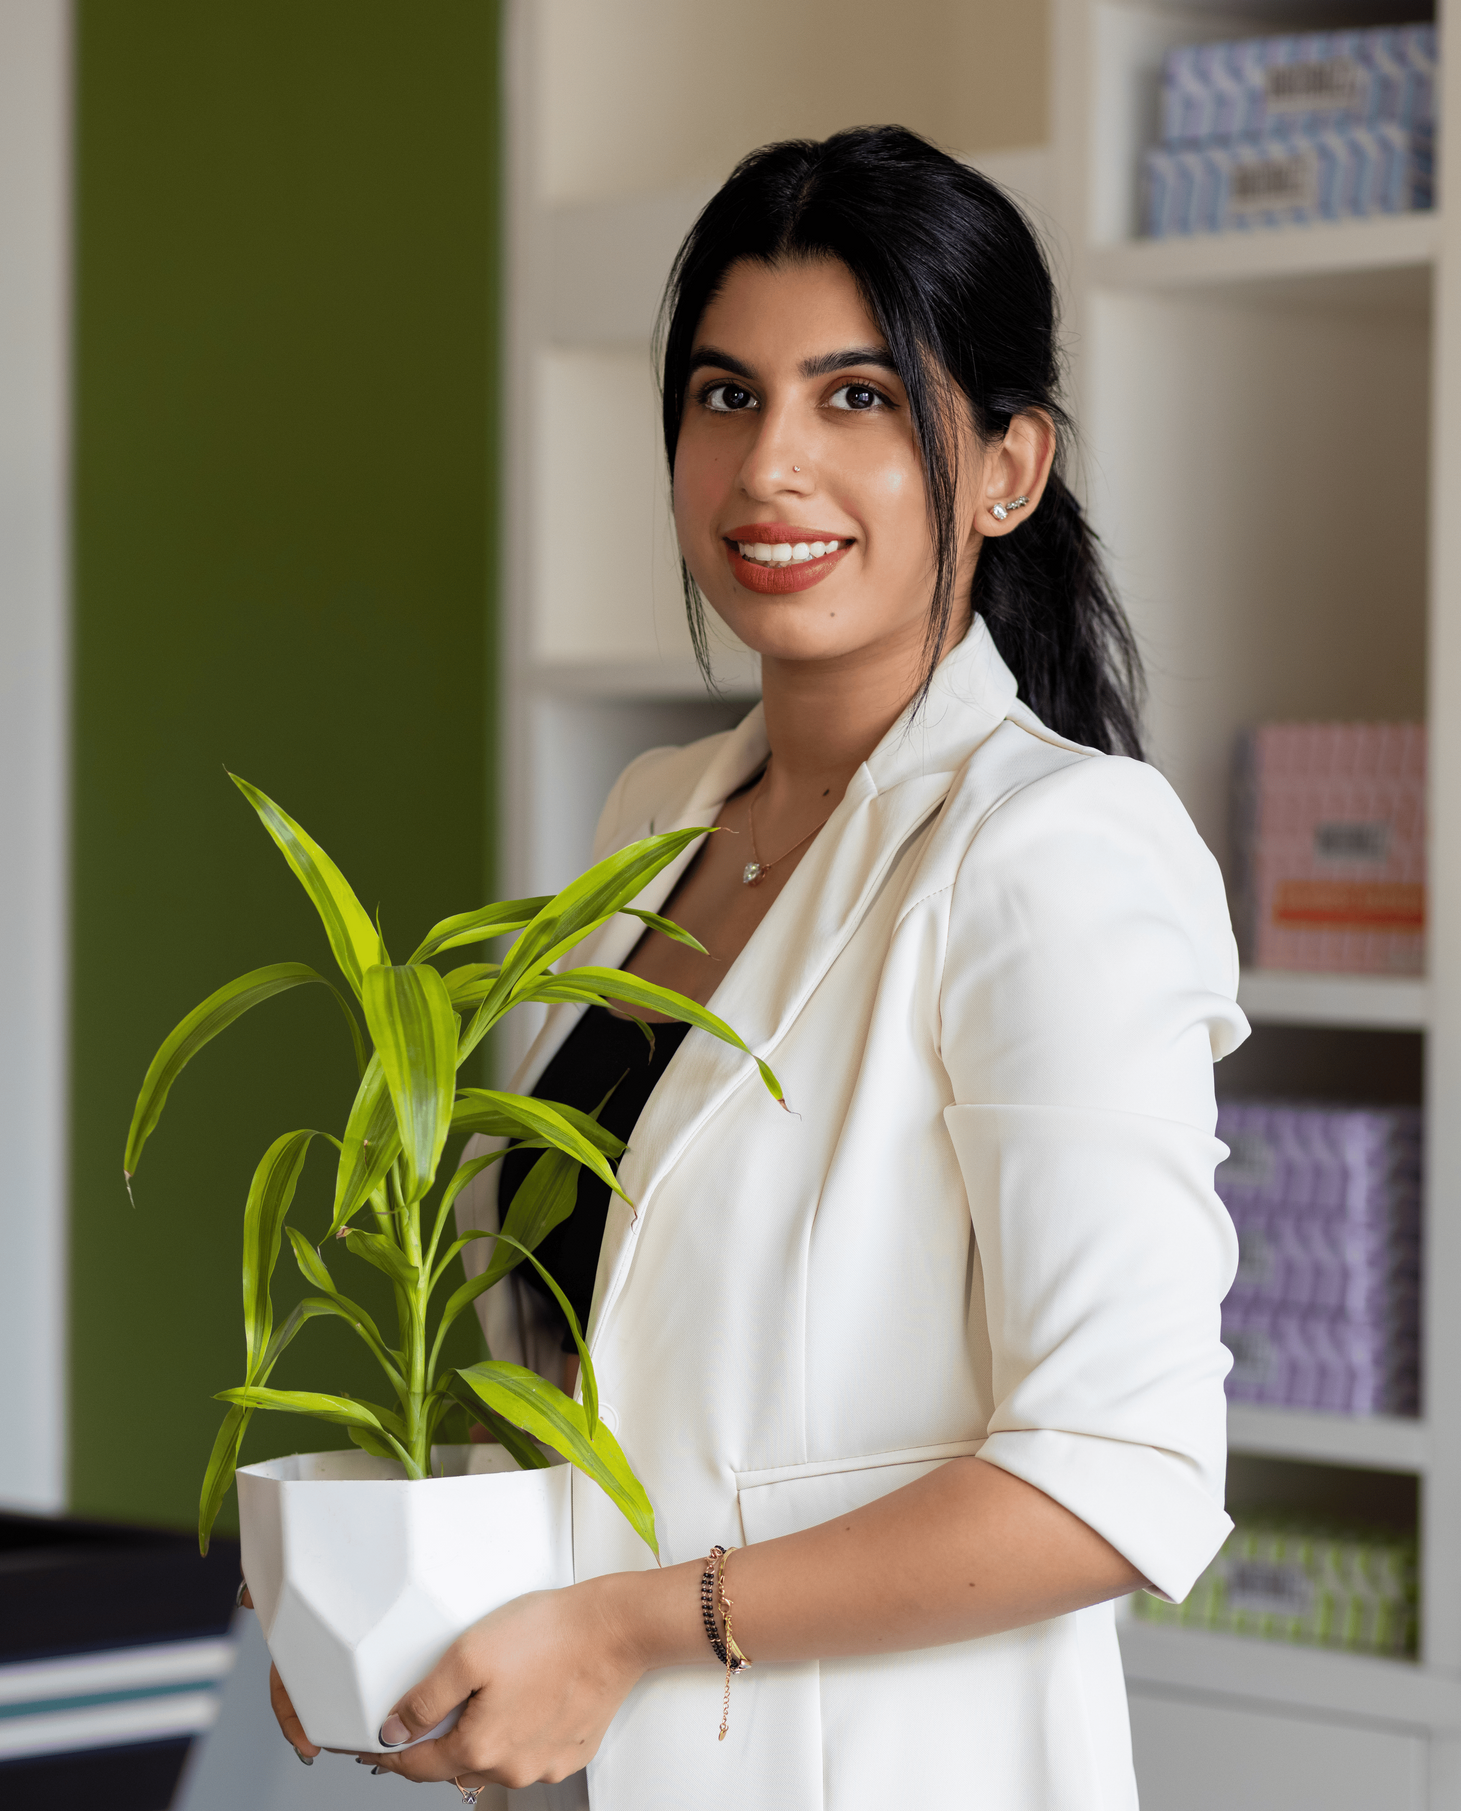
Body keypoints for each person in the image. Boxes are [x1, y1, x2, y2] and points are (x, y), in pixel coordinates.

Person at [268, 124, 1248, 1809]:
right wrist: (385, 1593)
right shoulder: (657, 816)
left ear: (1009, 467)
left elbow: (1117, 1473)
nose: (767, 466)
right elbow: (623, 1373)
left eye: (856, 398)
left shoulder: (1057, 850)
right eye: (726, 396)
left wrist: (635, 1631)